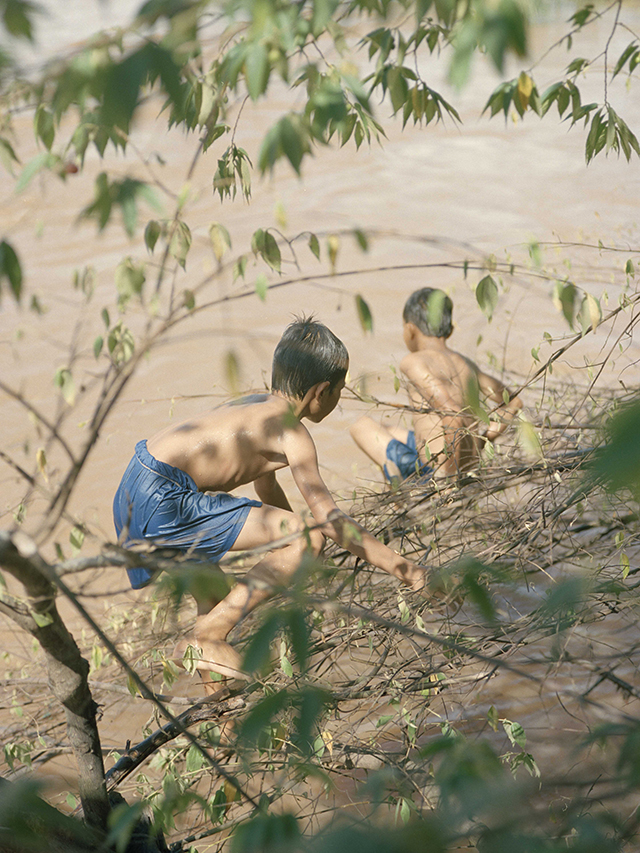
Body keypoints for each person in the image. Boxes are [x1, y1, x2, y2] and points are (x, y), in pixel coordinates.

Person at [113, 317, 428, 689]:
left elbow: (265, 486)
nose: (338, 399)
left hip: (135, 485)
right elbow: (328, 520)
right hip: (166, 495)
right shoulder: (292, 431)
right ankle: (206, 635)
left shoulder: (253, 405)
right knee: (306, 538)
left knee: (214, 597)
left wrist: (294, 557)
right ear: (320, 392)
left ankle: (221, 718)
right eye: (339, 391)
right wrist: (409, 572)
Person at [350, 287, 522, 483]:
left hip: (437, 471)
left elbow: (453, 415)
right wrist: (485, 438)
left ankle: (397, 488)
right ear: (449, 330)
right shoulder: (467, 364)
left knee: (361, 426)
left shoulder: (414, 362)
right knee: (385, 430)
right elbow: (514, 402)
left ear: (410, 330)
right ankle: (396, 478)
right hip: (469, 467)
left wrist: (446, 480)